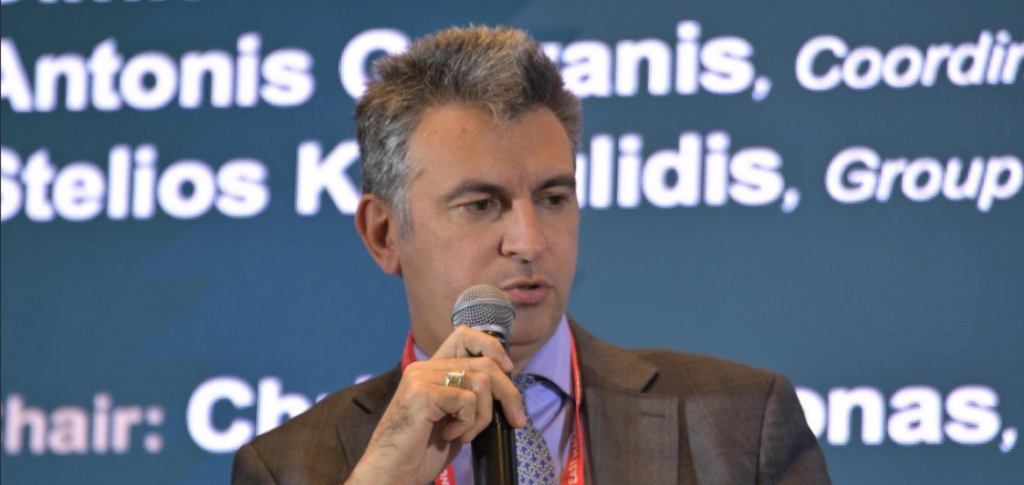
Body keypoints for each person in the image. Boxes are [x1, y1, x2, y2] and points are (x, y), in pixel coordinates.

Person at [232, 26, 832, 485]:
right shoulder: (288, 466)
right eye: (481, 205)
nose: (530, 240)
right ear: (384, 234)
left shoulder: (742, 421)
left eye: (552, 198)